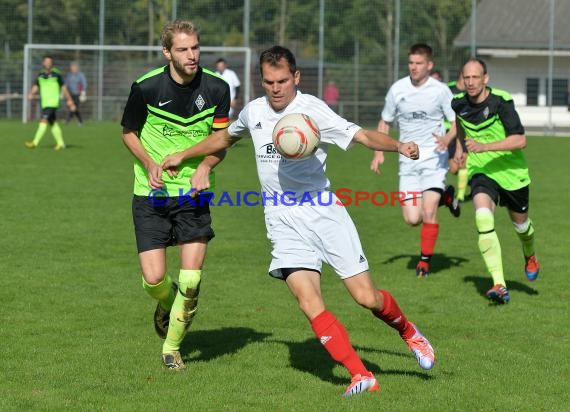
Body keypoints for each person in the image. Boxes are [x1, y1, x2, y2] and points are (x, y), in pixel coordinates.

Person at [161, 45, 435, 397]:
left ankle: (409, 332)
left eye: (282, 81)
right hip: (281, 218)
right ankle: (360, 375)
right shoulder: (254, 111)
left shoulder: (312, 110)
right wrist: (185, 155)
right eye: (268, 81)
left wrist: (397, 146)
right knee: (307, 300)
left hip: (323, 212)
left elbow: (363, 135)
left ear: (296, 77)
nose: (275, 88)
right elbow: (226, 136)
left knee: (366, 298)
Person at [120, 19, 231, 369]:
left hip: (192, 195)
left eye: (195, 47)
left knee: (191, 279)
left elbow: (222, 141)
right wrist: (149, 162)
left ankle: (172, 349)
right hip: (150, 194)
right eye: (183, 49)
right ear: (168, 52)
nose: (192, 55)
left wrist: (205, 167)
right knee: (154, 280)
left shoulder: (217, 89)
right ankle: (167, 304)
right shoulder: (146, 87)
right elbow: (128, 133)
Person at [451, 58, 540, 304]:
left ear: (485, 79)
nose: (470, 82)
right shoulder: (458, 103)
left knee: (522, 228)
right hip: (482, 171)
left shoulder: (501, 101)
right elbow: (459, 123)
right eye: (466, 77)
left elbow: (520, 140)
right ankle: (499, 284)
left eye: (475, 77)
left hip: (512, 174)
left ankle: (530, 254)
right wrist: (460, 147)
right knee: (482, 217)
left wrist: (483, 146)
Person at [370, 43, 459, 279]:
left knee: (428, 212)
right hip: (407, 162)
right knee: (412, 218)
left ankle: (424, 263)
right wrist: (378, 152)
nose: (414, 67)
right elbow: (385, 121)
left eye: (419, 63)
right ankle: (446, 197)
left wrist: (448, 138)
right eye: (411, 63)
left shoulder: (440, 91)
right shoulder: (397, 89)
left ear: (429, 65)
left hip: (434, 160)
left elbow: (456, 120)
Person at [25, 55, 75, 150]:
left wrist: (69, 100)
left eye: (49, 62)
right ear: (43, 63)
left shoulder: (56, 74)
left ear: (52, 63)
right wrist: (31, 94)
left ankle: (34, 143)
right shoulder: (40, 75)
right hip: (44, 103)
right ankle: (61, 144)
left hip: (52, 103)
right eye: (46, 61)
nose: (48, 63)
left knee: (43, 120)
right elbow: (36, 86)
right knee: (52, 123)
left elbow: (64, 88)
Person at [446, 71, 469, 206]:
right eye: (467, 76)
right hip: (448, 131)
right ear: (461, 75)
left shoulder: (471, 92)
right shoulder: (447, 88)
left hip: (463, 130)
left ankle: (460, 196)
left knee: (463, 163)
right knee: (453, 168)